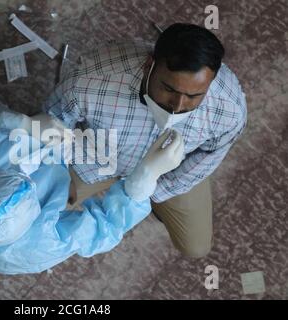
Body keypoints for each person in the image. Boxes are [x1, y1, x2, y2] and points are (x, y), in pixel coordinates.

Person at [0, 81, 184, 274]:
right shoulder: (38, 247)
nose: (28, 173)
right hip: (59, 170)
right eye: (31, 191)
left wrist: (18, 122)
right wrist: (143, 180)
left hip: (11, 143)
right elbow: (103, 229)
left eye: (14, 176)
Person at [43, 23, 247, 258]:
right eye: (169, 88)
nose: (178, 106)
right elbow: (52, 120)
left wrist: (148, 191)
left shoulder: (230, 110)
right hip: (94, 157)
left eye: (193, 96)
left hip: (169, 174)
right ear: (149, 65)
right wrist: (55, 170)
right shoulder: (91, 79)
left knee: (197, 248)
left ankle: (159, 206)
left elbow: (209, 155)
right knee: (37, 213)